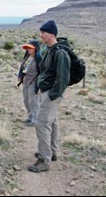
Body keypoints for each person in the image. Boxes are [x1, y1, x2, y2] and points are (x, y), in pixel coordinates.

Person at [27, 20, 71, 173]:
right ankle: (52, 152)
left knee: (42, 123)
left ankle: (44, 160)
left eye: (43, 32)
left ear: (52, 33)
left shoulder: (60, 52)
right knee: (52, 122)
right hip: (48, 91)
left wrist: (52, 95)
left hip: (52, 93)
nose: (41, 35)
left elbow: (63, 78)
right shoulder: (50, 50)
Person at [17, 40, 42, 127]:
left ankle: (35, 119)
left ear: (36, 48)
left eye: (30, 48)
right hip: (25, 82)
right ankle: (30, 116)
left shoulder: (39, 58)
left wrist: (39, 82)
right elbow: (22, 67)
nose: (28, 49)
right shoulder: (27, 57)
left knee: (34, 102)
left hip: (34, 83)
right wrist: (20, 75)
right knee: (26, 100)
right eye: (28, 47)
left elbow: (42, 71)